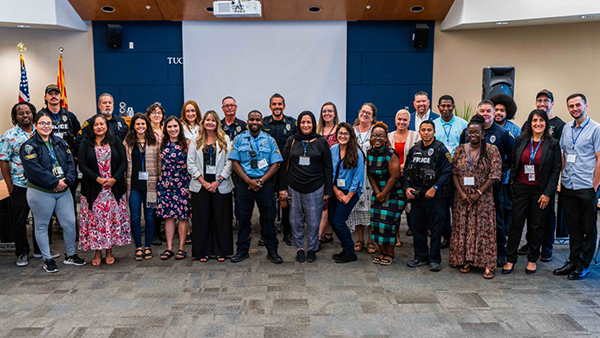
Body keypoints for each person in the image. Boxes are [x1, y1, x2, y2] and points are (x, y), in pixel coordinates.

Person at [21, 111, 86, 273]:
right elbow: (34, 169)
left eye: (48, 123)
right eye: (42, 123)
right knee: (42, 225)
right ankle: (47, 259)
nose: (46, 126)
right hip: (41, 191)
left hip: (63, 189)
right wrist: (54, 182)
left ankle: (70, 255)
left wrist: (67, 181)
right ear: (35, 126)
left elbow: (71, 163)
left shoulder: (60, 142)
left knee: (70, 223)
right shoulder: (29, 146)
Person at [503, 110, 561, 275]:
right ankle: (510, 259)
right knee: (516, 224)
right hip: (521, 187)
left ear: (546, 123)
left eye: (541, 121)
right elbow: (514, 161)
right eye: (535, 120)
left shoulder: (553, 143)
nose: (538, 124)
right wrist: (513, 181)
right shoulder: (521, 140)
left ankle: (532, 259)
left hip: (540, 190)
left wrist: (548, 193)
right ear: (530, 122)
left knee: (536, 226)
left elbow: (556, 170)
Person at [460, 100, 515, 267]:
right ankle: (473, 252)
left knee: (497, 218)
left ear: (493, 114)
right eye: (482, 111)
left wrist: (500, 173)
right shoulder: (467, 132)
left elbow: (512, 159)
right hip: (470, 185)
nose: (485, 114)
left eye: (488, 111)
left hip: (494, 185)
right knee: (471, 219)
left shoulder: (503, 134)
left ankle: (500, 251)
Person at [553, 93, 600, 280]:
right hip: (568, 185)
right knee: (573, 226)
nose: (574, 109)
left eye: (578, 105)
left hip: (587, 186)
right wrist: (560, 179)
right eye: (571, 106)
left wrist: (595, 185)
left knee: (588, 227)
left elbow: (599, 159)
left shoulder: (596, 129)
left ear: (586, 106)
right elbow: (564, 155)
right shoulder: (566, 128)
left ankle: (584, 264)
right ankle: (573, 259)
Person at [449, 115, 502, 279]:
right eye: (470, 132)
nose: (473, 135)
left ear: (483, 133)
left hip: (483, 198)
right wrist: (462, 193)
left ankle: (487, 264)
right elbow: (454, 173)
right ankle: (468, 260)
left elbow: (494, 175)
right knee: (465, 228)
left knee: (483, 230)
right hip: (463, 197)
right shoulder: (459, 150)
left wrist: (478, 193)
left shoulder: (492, 150)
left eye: (476, 132)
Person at [228, 110, 283, 264]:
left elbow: (276, 163)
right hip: (244, 185)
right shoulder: (238, 140)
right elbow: (234, 162)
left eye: (257, 120)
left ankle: (273, 252)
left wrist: (261, 181)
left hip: (264, 185)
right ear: (248, 121)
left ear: (261, 122)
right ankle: (242, 251)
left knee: (268, 219)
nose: (254, 122)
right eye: (251, 119)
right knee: (243, 220)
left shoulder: (269, 140)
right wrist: (248, 181)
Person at [517, 89, 566, 261]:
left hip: (546, 181)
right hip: (528, 181)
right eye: (539, 100)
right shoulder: (528, 123)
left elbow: (559, 157)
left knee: (548, 215)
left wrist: (553, 183)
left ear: (552, 103)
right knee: (532, 215)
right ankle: (531, 243)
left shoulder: (560, 125)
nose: (542, 103)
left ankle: (547, 247)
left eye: (546, 101)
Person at [279, 111, 333, 263]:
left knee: (314, 221)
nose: (306, 125)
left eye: (309, 122)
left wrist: (328, 190)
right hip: (294, 187)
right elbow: (283, 165)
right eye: (303, 122)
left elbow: (328, 167)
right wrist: (282, 188)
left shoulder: (321, 141)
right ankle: (299, 249)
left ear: (314, 124)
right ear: (299, 124)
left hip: (315, 187)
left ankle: (312, 248)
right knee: (295, 220)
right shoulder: (292, 140)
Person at [78, 114, 131, 266]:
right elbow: (82, 165)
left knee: (109, 222)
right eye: (96, 124)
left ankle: (109, 251)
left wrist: (114, 179)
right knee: (95, 222)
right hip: (94, 189)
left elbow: (123, 163)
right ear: (92, 127)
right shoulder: (85, 143)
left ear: (107, 126)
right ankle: (96, 252)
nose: (99, 127)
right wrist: (97, 179)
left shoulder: (116, 142)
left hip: (112, 189)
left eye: (102, 124)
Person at [404, 120, 452, 272]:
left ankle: (434, 259)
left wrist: (435, 187)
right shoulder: (414, 150)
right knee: (417, 227)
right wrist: (407, 188)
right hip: (417, 196)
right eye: (423, 129)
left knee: (436, 229)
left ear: (434, 132)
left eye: (429, 130)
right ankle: (420, 256)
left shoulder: (441, 149)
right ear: (419, 131)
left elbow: (448, 171)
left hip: (435, 197)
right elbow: (406, 172)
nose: (426, 132)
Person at [1, 102, 44, 267]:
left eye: (28, 113)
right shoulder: (9, 136)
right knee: (19, 221)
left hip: (40, 185)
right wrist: (9, 185)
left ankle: (41, 249)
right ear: (15, 117)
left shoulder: (40, 132)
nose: (25, 116)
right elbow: (3, 161)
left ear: (33, 113)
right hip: (20, 185)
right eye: (21, 114)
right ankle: (22, 253)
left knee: (41, 219)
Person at [188, 111, 234, 262]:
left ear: (217, 123)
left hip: (220, 185)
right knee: (202, 219)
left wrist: (218, 181)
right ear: (203, 122)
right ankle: (203, 251)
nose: (210, 123)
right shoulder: (196, 140)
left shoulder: (225, 139)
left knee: (221, 218)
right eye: (207, 120)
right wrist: (204, 182)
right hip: (200, 185)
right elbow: (190, 163)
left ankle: (222, 251)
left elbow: (230, 162)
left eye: (213, 121)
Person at [367, 122, 405, 266]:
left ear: (386, 138)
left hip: (394, 194)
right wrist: (378, 193)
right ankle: (381, 252)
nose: (377, 138)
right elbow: (370, 174)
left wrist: (384, 193)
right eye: (375, 135)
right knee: (376, 223)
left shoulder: (391, 154)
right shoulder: (370, 153)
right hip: (379, 192)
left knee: (387, 224)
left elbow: (394, 177)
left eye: (381, 135)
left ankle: (390, 254)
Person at [124, 113, 160, 261]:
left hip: (150, 185)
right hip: (133, 186)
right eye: (137, 124)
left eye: (143, 124)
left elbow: (159, 163)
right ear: (133, 126)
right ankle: (138, 246)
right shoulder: (127, 142)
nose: (140, 127)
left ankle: (148, 246)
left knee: (150, 217)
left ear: (147, 125)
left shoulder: (154, 142)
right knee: (135, 217)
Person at [433, 95, 468, 248]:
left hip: (459, 172)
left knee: (459, 205)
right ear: (438, 107)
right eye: (443, 106)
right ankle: (447, 236)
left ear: (453, 106)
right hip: (441, 172)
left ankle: (461, 236)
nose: (446, 109)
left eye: (449, 106)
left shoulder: (463, 124)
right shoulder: (433, 125)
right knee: (443, 206)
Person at [263, 93, 296, 246]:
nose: (277, 107)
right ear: (270, 106)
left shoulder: (292, 124)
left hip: (286, 170)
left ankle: (287, 231)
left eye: (279, 104)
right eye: (274, 104)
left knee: (286, 202)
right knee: (268, 202)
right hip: (268, 169)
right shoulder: (264, 124)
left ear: (284, 106)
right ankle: (267, 233)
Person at [329, 123, 364, 263]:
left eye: (346, 134)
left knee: (339, 221)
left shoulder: (357, 153)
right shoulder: (333, 149)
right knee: (332, 220)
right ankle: (346, 248)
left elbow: (358, 177)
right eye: (340, 133)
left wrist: (348, 196)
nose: (342, 136)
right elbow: (329, 172)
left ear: (351, 136)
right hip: (335, 190)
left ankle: (350, 253)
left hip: (351, 192)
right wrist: (336, 190)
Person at [157, 117, 191, 260]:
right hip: (165, 184)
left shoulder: (187, 144)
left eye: (175, 126)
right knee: (169, 217)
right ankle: (170, 248)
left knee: (182, 217)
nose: (173, 129)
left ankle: (182, 247)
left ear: (180, 127)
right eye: (170, 127)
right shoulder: (161, 144)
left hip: (182, 184)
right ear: (166, 129)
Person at [387, 109, 421, 243]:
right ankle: (396, 236)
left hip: (410, 177)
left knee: (410, 208)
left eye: (405, 120)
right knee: (394, 207)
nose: (402, 122)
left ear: (409, 121)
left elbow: (417, 155)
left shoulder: (416, 136)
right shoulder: (389, 136)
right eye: (399, 119)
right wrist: (395, 169)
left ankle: (415, 234)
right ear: (395, 121)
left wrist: (402, 167)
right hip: (392, 177)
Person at [349, 103, 376, 254]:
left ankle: (370, 240)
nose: (364, 114)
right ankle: (359, 239)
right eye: (362, 111)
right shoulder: (352, 131)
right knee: (357, 207)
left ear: (372, 117)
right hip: (355, 174)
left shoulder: (375, 132)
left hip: (371, 175)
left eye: (368, 113)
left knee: (370, 208)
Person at [316, 102, 339, 247]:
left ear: (335, 113)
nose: (327, 113)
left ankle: (317, 238)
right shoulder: (317, 130)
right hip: (319, 171)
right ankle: (328, 233)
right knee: (323, 202)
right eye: (324, 111)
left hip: (335, 170)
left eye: (330, 111)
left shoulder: (339, 129)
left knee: (326, 203)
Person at [146, 102, 167, 246]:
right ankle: (152, 233)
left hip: (165, 171)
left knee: (161, 203)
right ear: (148, 116)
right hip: (150, 171)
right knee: (152, 204)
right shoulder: (145, 132)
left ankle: (160, 231)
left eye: (159, 113)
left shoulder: (166, 130)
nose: (156, 115)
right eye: (154, 112)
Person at [40, 84, 80, 154]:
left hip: (68, 155)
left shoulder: (70, 116)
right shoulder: (40, 116)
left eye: (56, 94)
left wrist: (75, 152)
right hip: (47, 155)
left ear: (61, 97)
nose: (53, 96)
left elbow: (79, 137)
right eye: (50, 94)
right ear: (45, 97)